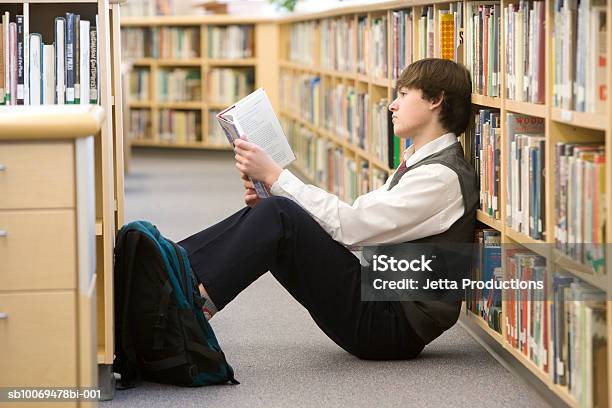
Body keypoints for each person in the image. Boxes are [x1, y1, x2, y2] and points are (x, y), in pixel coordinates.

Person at [179, 58, 478, 360]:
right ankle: (180, 277)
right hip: (381, 299)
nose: (392, 105)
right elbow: (358, 214)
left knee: (279, 215)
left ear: (436, 99)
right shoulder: (419, 163)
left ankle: (186, 304)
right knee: (274, 212)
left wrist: (275, 176)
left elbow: (352, 228)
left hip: (391, 325)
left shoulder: (441, 177)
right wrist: (275, 197)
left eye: (402, 94)